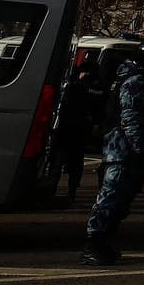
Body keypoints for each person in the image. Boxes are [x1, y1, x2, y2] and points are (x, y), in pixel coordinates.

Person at [82, 36, 144, 266]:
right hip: (122, 149)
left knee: (122, 199)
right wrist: (140, 146)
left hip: (134, 148)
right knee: (110, 196)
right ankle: (94, 243)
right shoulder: (135, 81)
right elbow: (131, 117)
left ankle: (105, 241)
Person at [44, 56, 104, 204]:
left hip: (66, 129)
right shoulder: (96, 87)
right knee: (74, 163)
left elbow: (63, 106)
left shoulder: (73, 86)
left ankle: (53, 190)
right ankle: (70, 191)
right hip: (80, 130)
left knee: (58, 162)